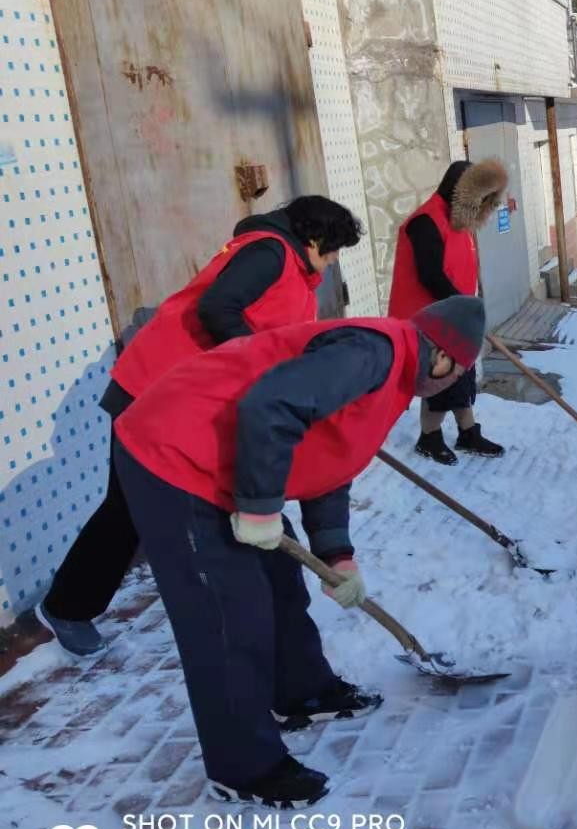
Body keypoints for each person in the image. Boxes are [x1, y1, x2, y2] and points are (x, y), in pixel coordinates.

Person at [111, 295, 490, 807]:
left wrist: (336, 555)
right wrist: (260, 508)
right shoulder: (373, 353)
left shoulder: (394, 372)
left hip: (229, 459)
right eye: (459, 372)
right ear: (442, 356)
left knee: (279, 582)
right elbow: (271, 405)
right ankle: (244, 768)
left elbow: (331, 454)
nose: (453, 383)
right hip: (173, 453)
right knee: (229, 616)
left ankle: (301, 692)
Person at [36, 197, 364, 658]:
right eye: (333, 250)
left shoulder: (292, 271)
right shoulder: (269, 253)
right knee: (127, 509)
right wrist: (263, 367)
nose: (332, 262)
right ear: (313, 238)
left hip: (185, 397)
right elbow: (217, 308)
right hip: (149, 390)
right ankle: (66, 608)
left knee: (158, 505)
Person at [389, 159, 509, 465]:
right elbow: (430, 276)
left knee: (461, 376)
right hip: (429, 320)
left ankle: (468, 432)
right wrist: (465, 310)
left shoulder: (456, 221)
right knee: (440, 380)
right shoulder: (425, 222)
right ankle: (429, 438)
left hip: (452, 318)